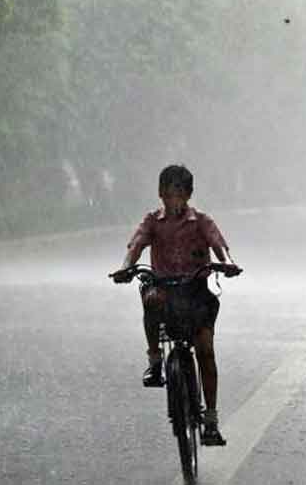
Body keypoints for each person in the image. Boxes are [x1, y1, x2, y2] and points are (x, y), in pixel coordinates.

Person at [111, 164, 241, 446]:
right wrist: (125, 268)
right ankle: (155, 360)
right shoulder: (152, 222)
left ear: (189, 195)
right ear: (160, 194)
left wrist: (228, 264)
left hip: (195, 292)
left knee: (205, 350)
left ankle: (211, 420)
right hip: (165, 291)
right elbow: (135, 246)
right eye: (169, 195)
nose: (174, 201)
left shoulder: (202, 221)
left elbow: (219, 245)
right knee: (150, 296)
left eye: (180, 194)